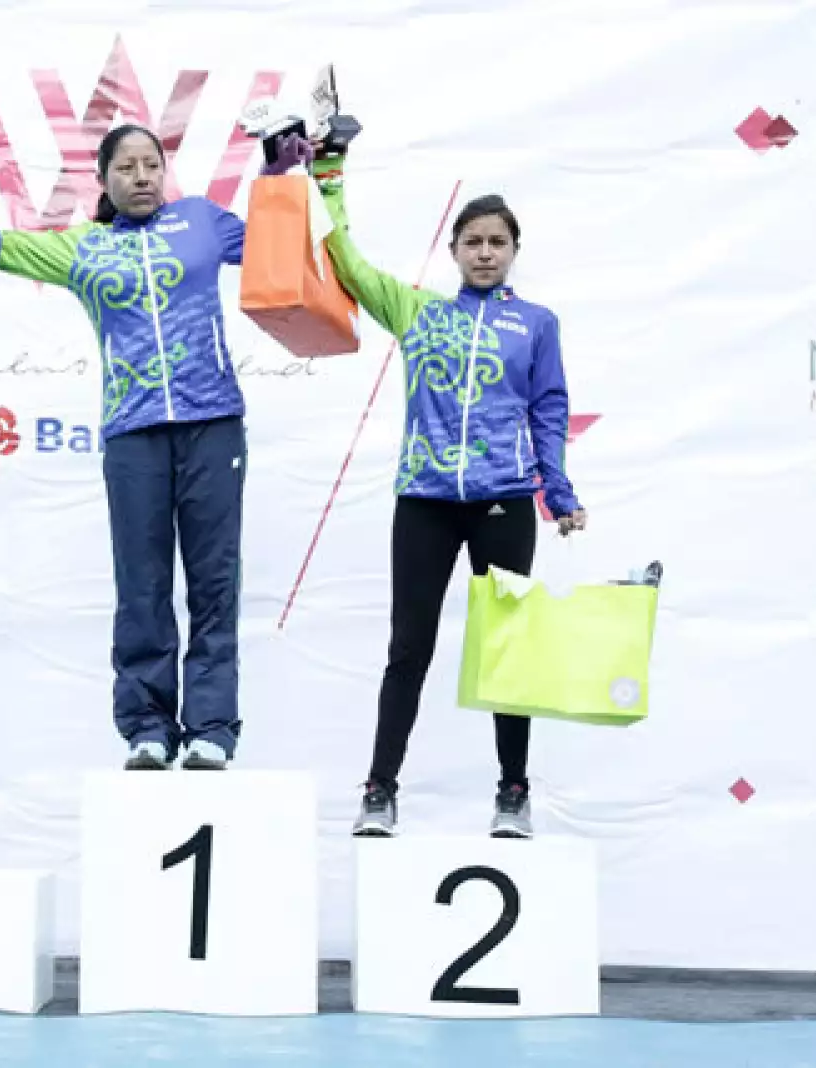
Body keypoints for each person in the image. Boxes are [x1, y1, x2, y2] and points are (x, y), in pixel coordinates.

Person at [0, 125, 309, 770]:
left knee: (213, 582)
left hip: (214, 424)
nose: (142, 176)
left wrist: (276, 175)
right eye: (127, 166)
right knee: (142, 586)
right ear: (104, 178)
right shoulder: (82, 249)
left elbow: (278, 246)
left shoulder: (201, 222)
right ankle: (147, 724)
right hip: (132, 432)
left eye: (152, 164)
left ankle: (211, 727)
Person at [302, 133, 587, 840]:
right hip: (425, 502)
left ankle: (513, 793)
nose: (485, 252)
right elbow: (349, 261)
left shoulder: (536, 324)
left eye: (497, 241)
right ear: (453, 251)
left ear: (513, 250)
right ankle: (379, 790)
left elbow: (549, 411)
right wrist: (329, 180)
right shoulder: (418, 311)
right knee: (410, 647)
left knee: (507, 649)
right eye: (473, 241)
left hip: (503, 502)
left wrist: (559, 492)